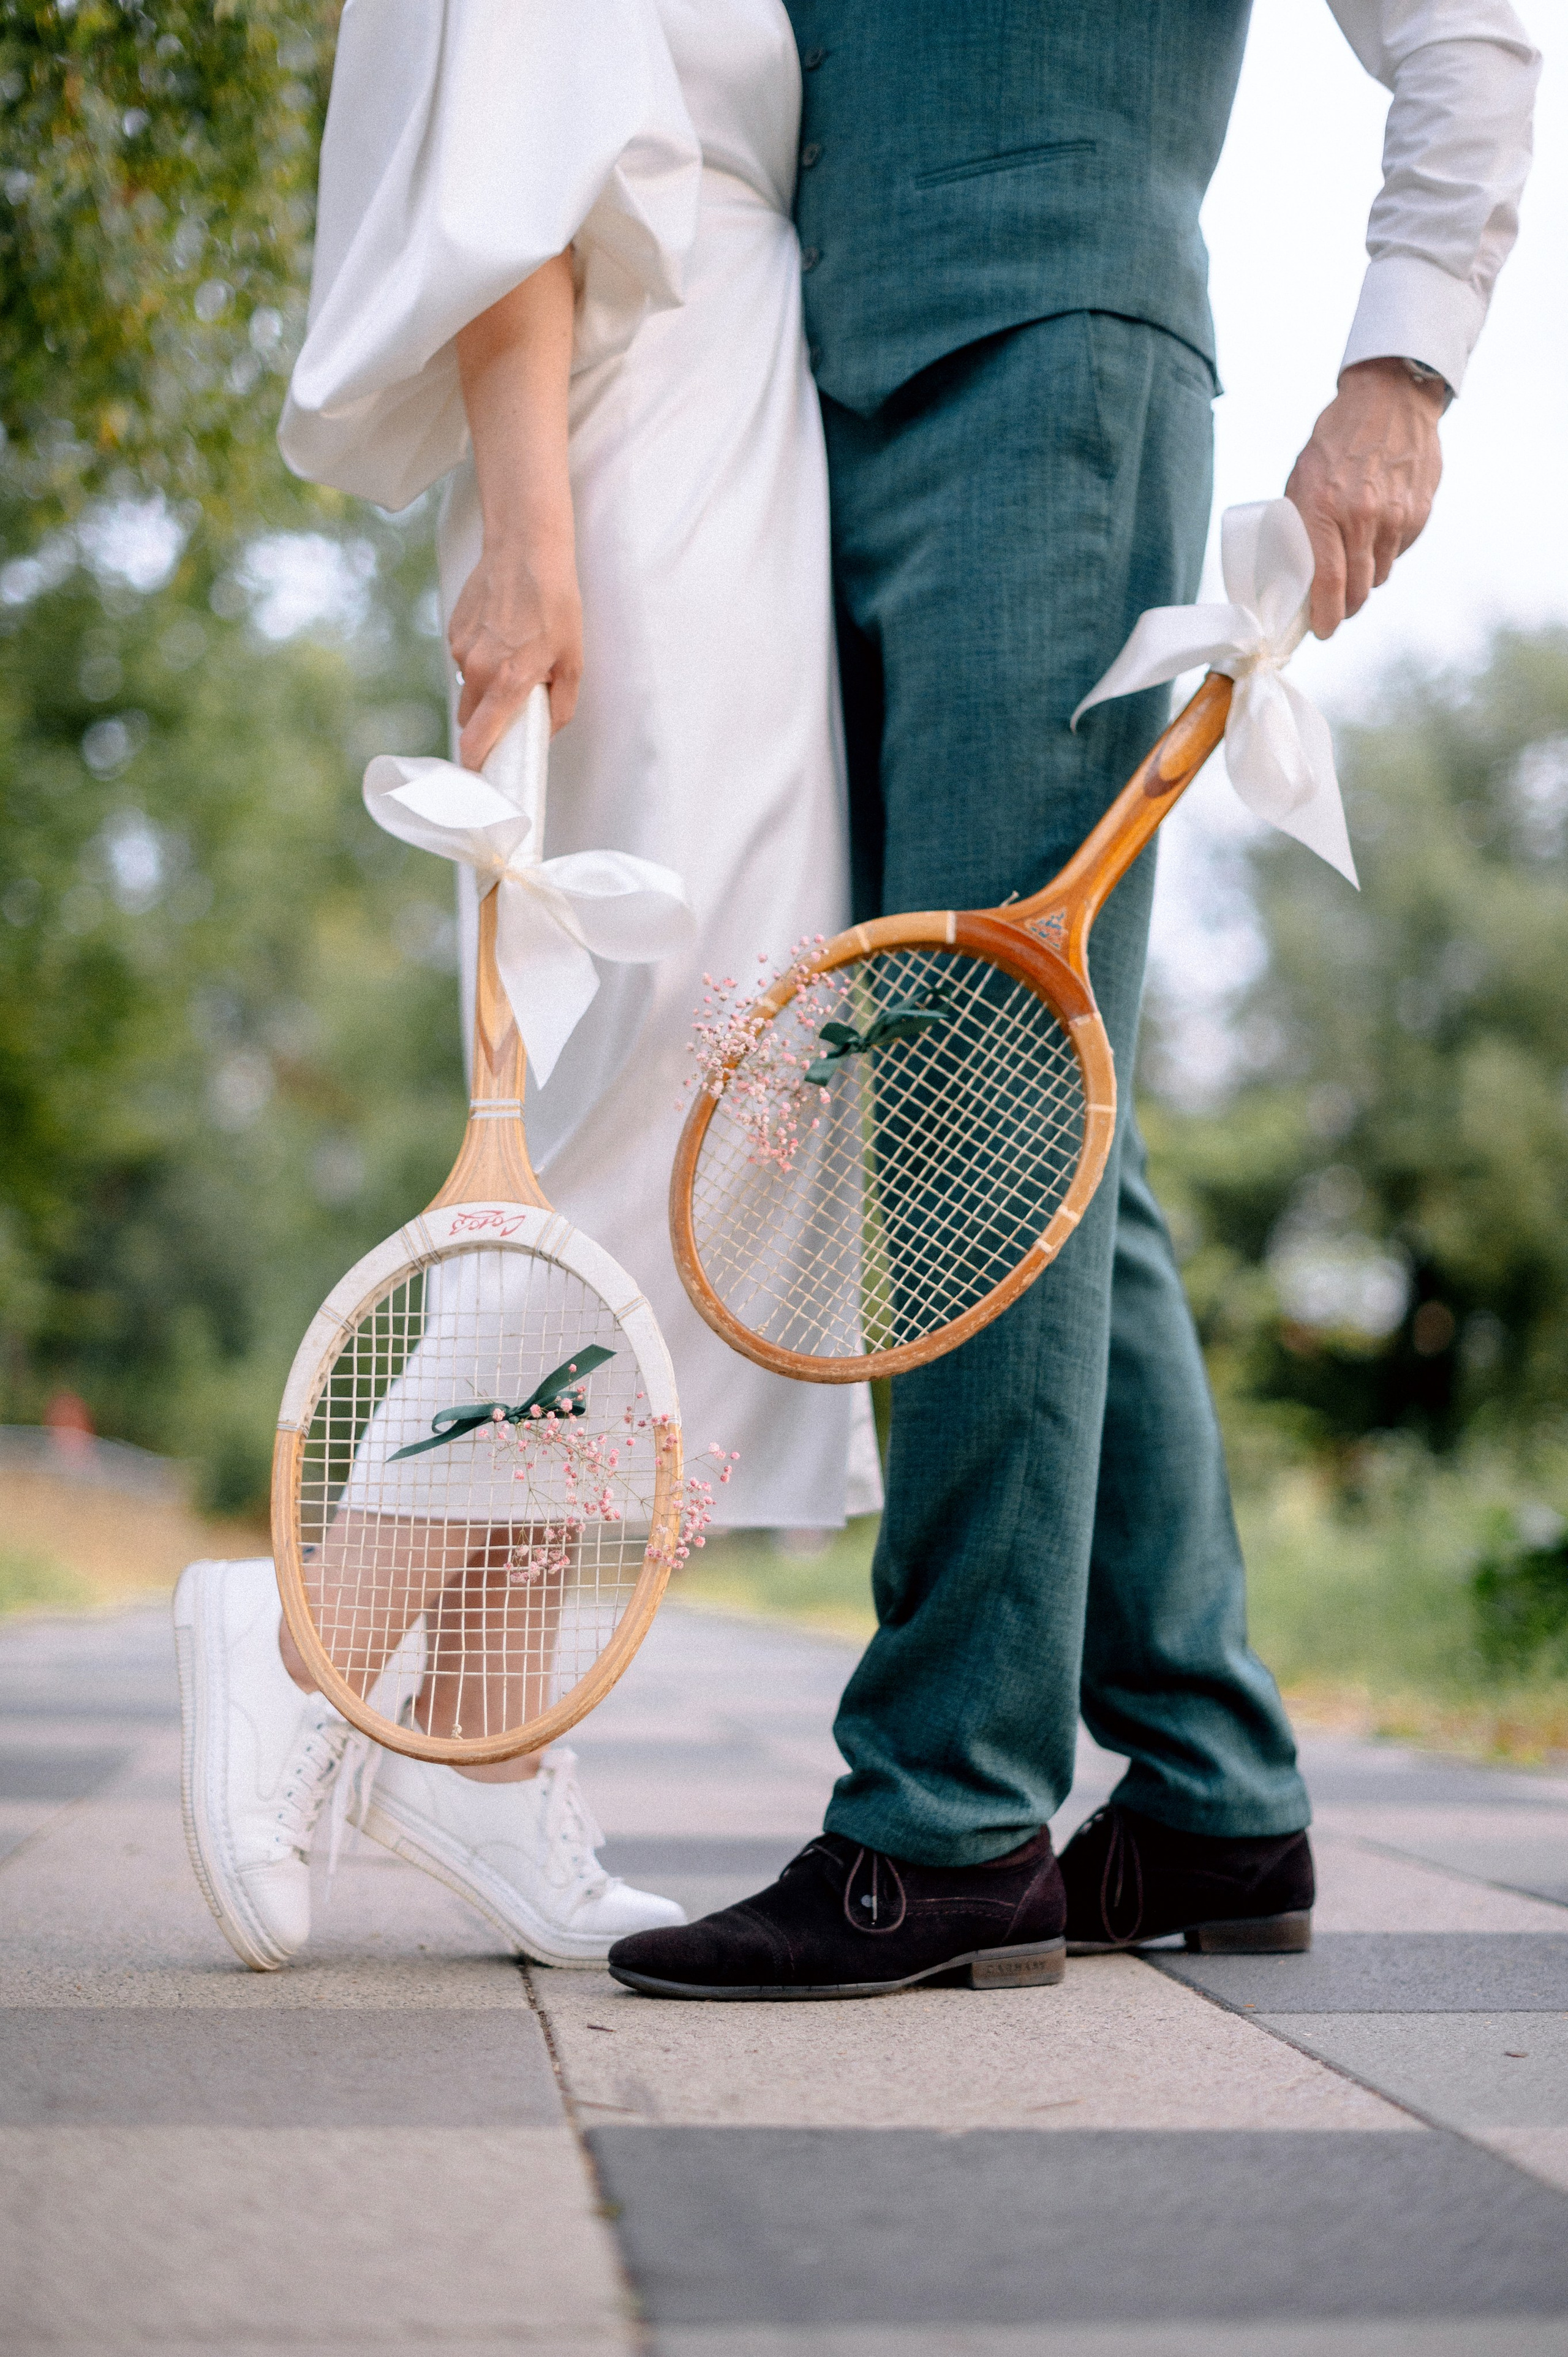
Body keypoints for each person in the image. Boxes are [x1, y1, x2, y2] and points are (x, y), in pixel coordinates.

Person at [605, 0, 1543, 1999]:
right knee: (1023, 1128)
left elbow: (1470, 29)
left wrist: (1403, 371)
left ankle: (944, 1816)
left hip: (1054, 380)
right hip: (809, 417)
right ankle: (1211, 1787)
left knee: (985, 1094)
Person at [175, 0, 882, 1975]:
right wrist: (541, 538)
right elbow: (513, 148)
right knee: (682, 1074)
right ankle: (318, 1636)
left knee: (678, 1086)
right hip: (637, 460)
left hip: (708, 434)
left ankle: (481, 1752)